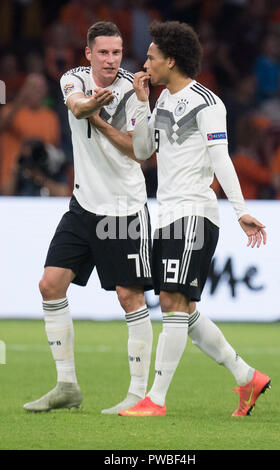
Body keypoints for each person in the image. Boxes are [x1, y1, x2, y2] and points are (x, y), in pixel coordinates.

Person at [119, 21, 270, 418]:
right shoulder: (163, 100)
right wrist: (140, 103)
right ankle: (247, 376)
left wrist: (242, 212)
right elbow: (141, 151)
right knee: (181, 308)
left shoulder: (208, 103)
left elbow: (222, 159)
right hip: (165, 212)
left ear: (171, 59)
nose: (145, 63)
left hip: (194, 212)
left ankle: (156, 399)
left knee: (171, 300)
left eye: (151, 57)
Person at [23, 21, 153, 414]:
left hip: (123, 209)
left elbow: (140, 152)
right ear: (88, 54)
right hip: (83, 207)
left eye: (116, 52)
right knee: (50, 285)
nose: (111, 60)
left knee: (129, 297)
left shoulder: (135, 90)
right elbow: (76, 105)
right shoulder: (73, 79)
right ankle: (66, 386)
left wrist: (98, 115)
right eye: (103, 53)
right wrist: (91, 106)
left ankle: (137, 395)